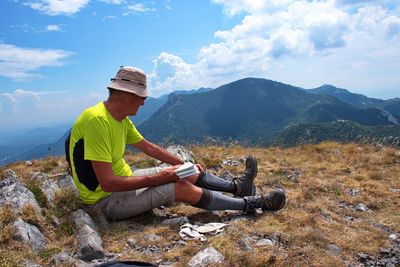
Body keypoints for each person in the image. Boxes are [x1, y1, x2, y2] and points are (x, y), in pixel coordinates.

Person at [66, 66, 286, 220]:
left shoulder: (119, 118)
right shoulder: (97, 121)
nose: (144, 102)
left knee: (182, 173)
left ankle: (238, 187)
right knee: (178, 185)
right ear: (127, 95)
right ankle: (252, 204)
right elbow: (108, 183)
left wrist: (183, 164)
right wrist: (163, 176)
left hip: (126, 180)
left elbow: (148, 147)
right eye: (141, 96)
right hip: (105, 201)